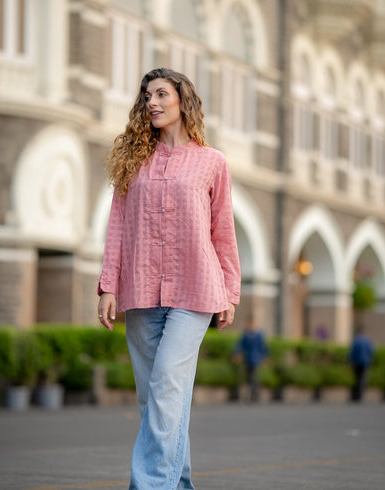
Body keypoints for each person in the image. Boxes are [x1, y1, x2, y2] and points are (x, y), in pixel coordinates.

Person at [97, 68, 241, 490]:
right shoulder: (133, 161)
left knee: (165, 390)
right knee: (157, 402)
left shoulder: (212, 162)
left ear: (183, 101)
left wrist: (230, 292)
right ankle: (179, 485)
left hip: (195, 290)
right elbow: (117, 225)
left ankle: (149, 487)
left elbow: (223, 231)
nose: (152, 103)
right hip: (140, 291)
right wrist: (108, 285)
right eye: (146, 96)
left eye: (161, 94)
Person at [233, 316, 267, 402]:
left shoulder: (258, 335)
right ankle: (251, 394)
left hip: (255, 358)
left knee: (253, 377)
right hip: (247, 358)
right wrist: (237, 354)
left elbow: (262, 347)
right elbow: (240, 345)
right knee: (248, 377)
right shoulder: (246, 334)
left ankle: (254, 395)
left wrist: (265, 357)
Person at [348, 324, 374, 402]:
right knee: (362, 378)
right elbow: (371, 352)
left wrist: (351, 361)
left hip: (356, 362)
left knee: (357, 378)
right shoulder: (367, 340)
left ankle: (355, 395)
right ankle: (360, 394)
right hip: (365, 362)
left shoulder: (356, 340)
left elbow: (352, 352)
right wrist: (370, 360)